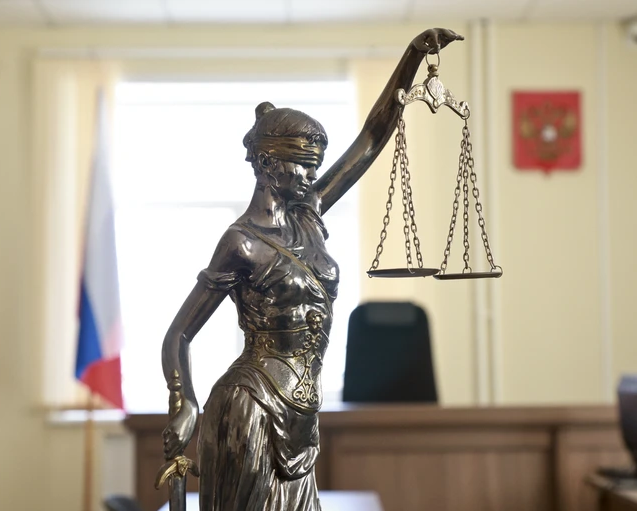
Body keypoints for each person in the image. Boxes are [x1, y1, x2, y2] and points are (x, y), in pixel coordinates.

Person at [160, 28, 463, 511]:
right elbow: (179, 333)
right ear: (266, 163)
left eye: (315, 165)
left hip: (303, 413)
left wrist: (411, 58)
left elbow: (370, 140)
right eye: (302, 165)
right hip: (250, 405)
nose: (312, 175)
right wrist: (184, 403)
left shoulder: (309, 215)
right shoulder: (241, 243)